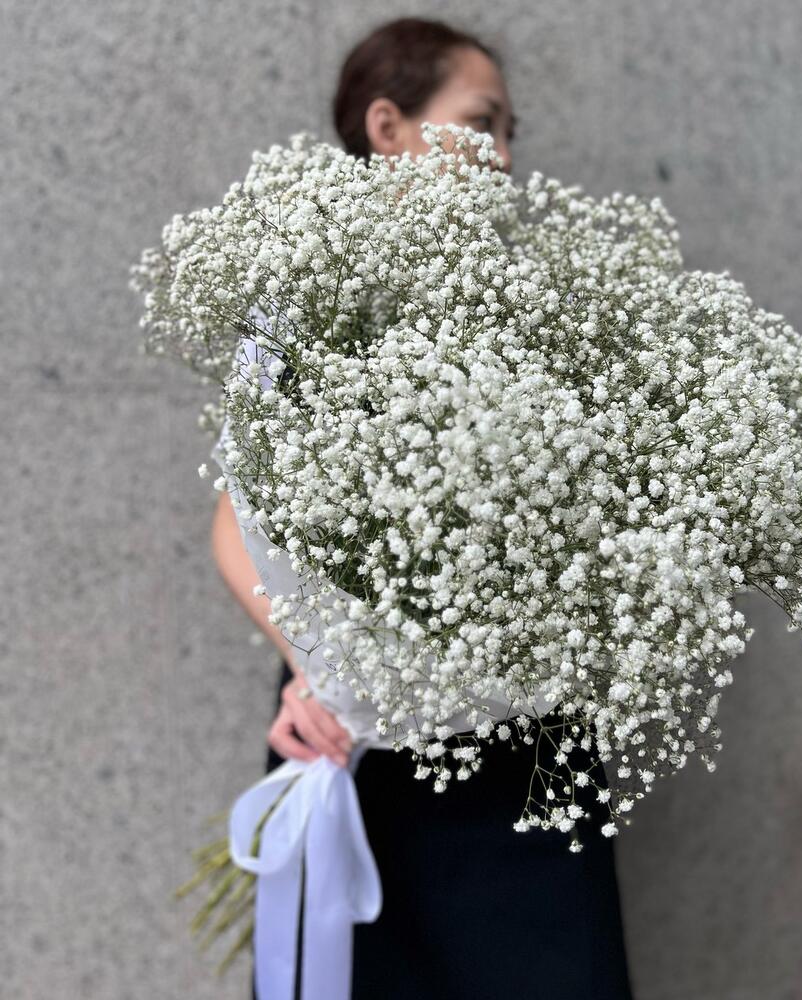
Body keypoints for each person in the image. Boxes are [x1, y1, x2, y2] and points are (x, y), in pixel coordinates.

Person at [211, 15, 635, 1000]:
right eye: (483, 122)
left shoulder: (541, 300)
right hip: (358, 740)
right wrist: (316, 670)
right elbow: (235, 518)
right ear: (388, 126)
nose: (504, 154)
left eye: (511, 130)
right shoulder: (297, 301)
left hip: (523, 751)